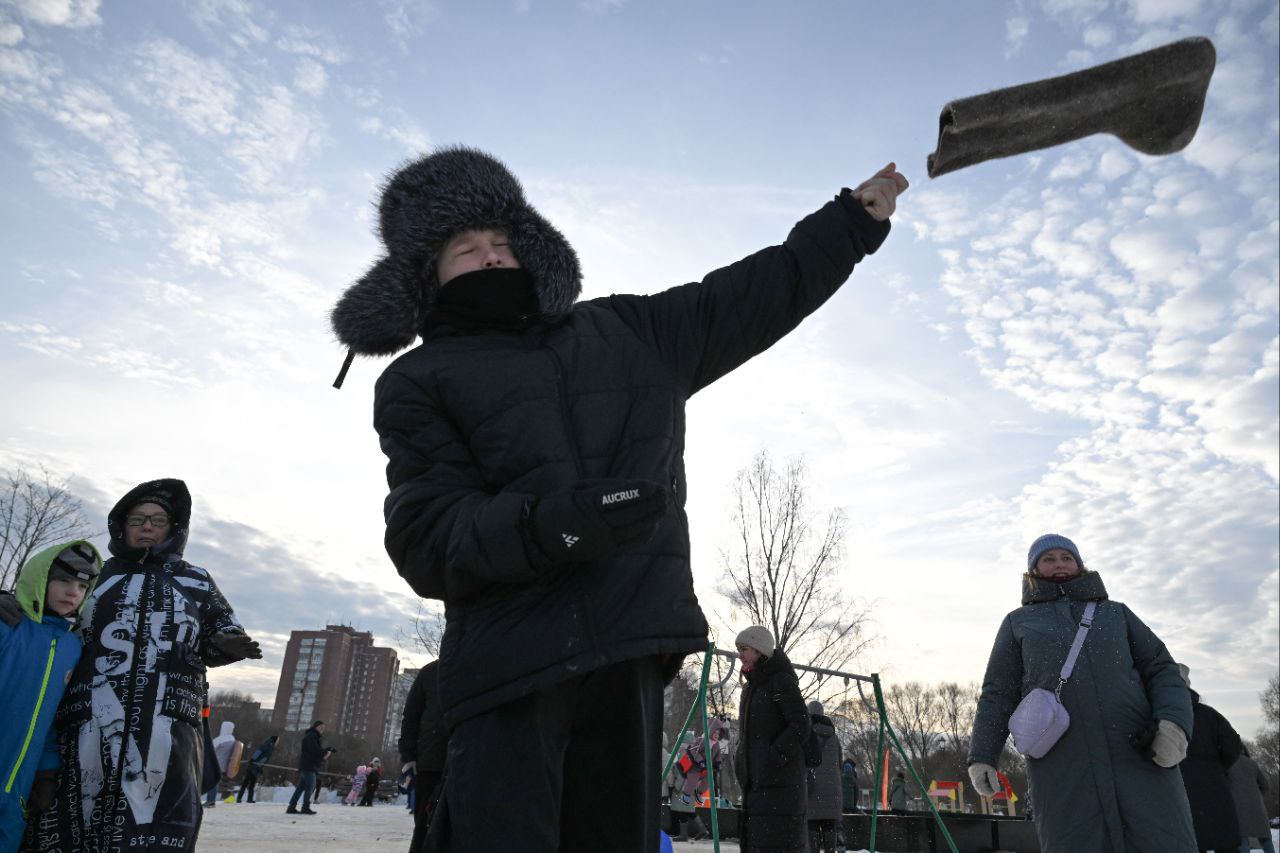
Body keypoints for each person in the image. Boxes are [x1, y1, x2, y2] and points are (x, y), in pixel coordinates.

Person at [329, 145, 906, 852]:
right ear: (429, 273)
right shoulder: (419, 379)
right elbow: (426, 536)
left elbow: (753, 293)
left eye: (501, 239)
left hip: (628, 657)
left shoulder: (628, 332)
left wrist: (849, 224)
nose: (490, 256)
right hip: (508, 671)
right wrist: (555, 528)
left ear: (531, 243)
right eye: (464, 247)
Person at [30, 479, 262, 853]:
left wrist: (224, 643)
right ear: (121, 526)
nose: (147, 527)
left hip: (167, 731)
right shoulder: (97, 577)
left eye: (158, 520)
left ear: (175, 528)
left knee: (156, 826)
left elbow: (223, 628)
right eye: (137, 519)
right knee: (73, 823)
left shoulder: (195, 580)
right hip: (86, 726)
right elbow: (48, 615)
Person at [968, 533, 1197, 852]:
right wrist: (983, 756)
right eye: (1048, 559)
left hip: (1139, 759)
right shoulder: (1018, 624)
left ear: (1079, 564)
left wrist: (1174, 725)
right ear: (1034, 570)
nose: (1059, 564)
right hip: (1063, 769)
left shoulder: (1116, 614)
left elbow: (1163, 669)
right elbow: (998, 694)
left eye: (1067, 557)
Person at [0, 541, 99, 853]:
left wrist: (46, 770)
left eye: (82, 586)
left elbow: (48, 718)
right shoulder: (7, 625)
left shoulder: (71, 648)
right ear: (41, 579)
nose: (73, 592)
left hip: (15, 791)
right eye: (64, 580)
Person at [733, 625, 810, 852]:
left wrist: (773, 757)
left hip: (780, 788)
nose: (740, 655)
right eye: (738, 649)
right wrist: (743, 763)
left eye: (744, 649)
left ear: (760, 650)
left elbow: (801, 724)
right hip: (757, 786)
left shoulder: (780, 682)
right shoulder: (751, 688)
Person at [1178, 665, 1244, 853]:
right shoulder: (1210, 715)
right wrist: (1217, 768)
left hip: (1179, 791)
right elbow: (1233, 745)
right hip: (1214, 789)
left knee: (1190, 842)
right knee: (1224, 841)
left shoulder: (1159, 716)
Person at [399, 661, 448, 852]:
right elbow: (411, 715)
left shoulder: (478, 664)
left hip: (468, 761)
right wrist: (408, 755)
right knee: (425, 825)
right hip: (430, 762)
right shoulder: (430, 672)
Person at [805, 702, 841, 852]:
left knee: (811, 824)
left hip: (812, 787)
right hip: (832, 789)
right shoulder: (834, 737)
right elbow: (839, 763)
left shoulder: (806, 734)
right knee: (829, 824)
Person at [1227, 747, 1275, 853]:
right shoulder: (1252, 763)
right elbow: (1265, 785)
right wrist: (1258, 797)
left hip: (1238, 808)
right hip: (1258, 807)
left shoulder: (1227, 763)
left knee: (1243, 841)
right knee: (1265, 839)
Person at [287, 721, 326, 815]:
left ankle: (291, 807)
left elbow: (314, 750)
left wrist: (323, 752)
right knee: (311, 786)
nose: (322, 729)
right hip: (309, 765)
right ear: (316, 727)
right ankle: (305, 807)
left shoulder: (313, 736)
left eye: (323, 728)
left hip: (308, 765)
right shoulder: (311, 736)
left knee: (301, 788)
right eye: (321, 727)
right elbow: (314, 750)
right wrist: (324, 752)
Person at [205, 721, 238, 808]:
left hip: (214, 763)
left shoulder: (220, 739)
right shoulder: (232, 739)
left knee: (211, 783)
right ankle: (212, 800)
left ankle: (210, 801)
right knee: (216, 783)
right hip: (224, 765)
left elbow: (209, 748)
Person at [237, 735, 278, 803]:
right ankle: (239, 798)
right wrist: (253, 759)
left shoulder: (271, 746)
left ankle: (249, 799)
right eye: (277, 741)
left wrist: (261, 767)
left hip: (257, 767)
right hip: (253, 765)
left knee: (252, 784)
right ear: (275, 740)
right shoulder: (268, 744)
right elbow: (259, 751)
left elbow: (264, 758)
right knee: (246, 783)